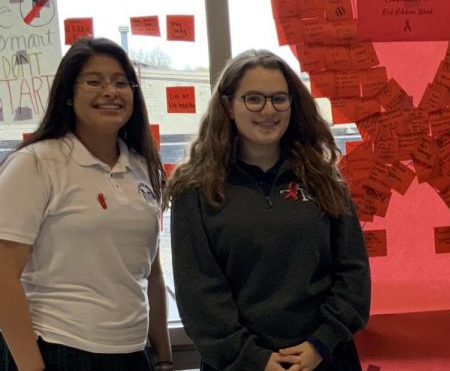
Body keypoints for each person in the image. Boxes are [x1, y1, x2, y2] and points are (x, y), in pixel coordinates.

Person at [166, 49, 370, 371]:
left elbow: (353, 274)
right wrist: (253, 359)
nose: (268, 110)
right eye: (253, 99)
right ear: (228, 106)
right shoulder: (195, 189)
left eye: (279, 99)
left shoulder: (323, 179)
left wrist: (320, 343)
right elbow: (200, 294)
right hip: (238, 364)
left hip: (323, 358)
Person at [0, 38, 173, 370]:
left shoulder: (143, 167)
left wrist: (163, 356)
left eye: (121, 83)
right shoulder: (37, 164)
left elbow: (151, 272)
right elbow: (3, 275)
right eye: (94, 81)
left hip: (134, 353)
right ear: (68, 94)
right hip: (59, 347)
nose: (110, 91)